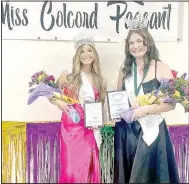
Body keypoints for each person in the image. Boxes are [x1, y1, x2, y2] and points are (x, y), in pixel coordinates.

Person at [114, 16, 180, 183]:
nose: (135, 46)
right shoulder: (125, 70)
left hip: (153, 131)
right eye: (131, 43)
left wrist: (144, 110)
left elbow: (170, 104)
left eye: (139, 41)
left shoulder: (161, 67)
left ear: (147, 42)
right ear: (127, 47)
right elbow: (118, 100)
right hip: (128, 133)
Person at [49, 34, 107, 183]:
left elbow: (100, 105)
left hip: (90, 129)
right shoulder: (67, 76)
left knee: (88, 167)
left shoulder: (100, 80)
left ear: (94, 54)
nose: (86, 54)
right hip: (71, 131)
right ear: (77, 55)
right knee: (72, 170)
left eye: (89, 50)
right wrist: (60, 103)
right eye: (82, 51)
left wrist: (100, 121)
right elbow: (52, 96)